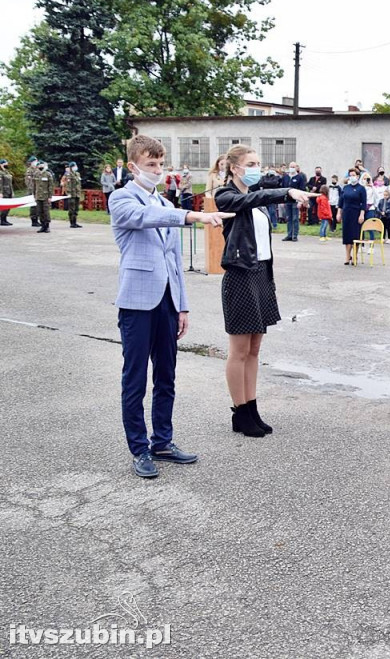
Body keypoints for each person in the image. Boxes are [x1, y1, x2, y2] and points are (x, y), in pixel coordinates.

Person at [108, 134, 234, 478]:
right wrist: (195, 217)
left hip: (166, 301)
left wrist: (182, 306)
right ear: (133, 166)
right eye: (151, 164)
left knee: (166, 376)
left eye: (161, 164)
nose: (158, 170)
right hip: (136, 302)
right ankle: (139, 448)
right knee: (135, 378)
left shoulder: (163, 202)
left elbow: (174, 260)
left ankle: (162, 441)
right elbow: (145, 217)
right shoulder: (121, 199)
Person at [215, 144, 310, 436]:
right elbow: (254, 198)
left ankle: (252, 407)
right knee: (239, 350)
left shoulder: (251, 199)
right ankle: (239, 412)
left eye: (259, 162)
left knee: (254, 349)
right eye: (252, 163)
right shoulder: (226, 196)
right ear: (235, 167)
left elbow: (256, 200)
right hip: (241, 276)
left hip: (261, 276)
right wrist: (286, 192)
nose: (257, 168)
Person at [336, 168, 366, 265]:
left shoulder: (361, 188)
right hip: (346, 213)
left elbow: (363, 203)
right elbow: (341, 202)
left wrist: (362, 214)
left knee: (355, 235)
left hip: (356, 214)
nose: (352, 177)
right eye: (350, 175)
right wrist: (339, 213)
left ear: (357, 176)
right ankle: (347, 255)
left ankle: (355, 255)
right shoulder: (345, 188)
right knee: (347, 235)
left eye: (354, 175)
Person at [280, 162, 305, 241]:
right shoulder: (286, 177)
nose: (292, 168)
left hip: (296, 201)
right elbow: (283, 189)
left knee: (295, 218)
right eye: (291, 166)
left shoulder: (300, 177)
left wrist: (300, 201)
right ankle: (289, 234)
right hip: (288, 201)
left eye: (293, 167)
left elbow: (302, 190)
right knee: (289, 218)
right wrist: (282, 200)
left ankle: (295, 235)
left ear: (296, 167)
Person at [32, 160, 55, 234]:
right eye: (39, 165)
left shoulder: (48, 174)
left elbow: (51, 186)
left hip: (45, 196)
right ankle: (42, 226)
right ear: (38, 166)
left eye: (42, 165)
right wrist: (34, 195)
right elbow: (34, 186)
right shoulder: (36, 174)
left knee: (46, 211)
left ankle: (47, 226)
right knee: (39, 211)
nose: (40, 166)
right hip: (38, 196)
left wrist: (50, 196)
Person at [64, 161, 83, 228]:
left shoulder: (77, 174)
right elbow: (68, 185)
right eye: (74, 166)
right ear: (71, 167)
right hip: (72, 194)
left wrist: (79, 192)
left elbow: (79, 185)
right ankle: (72, 222)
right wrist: (69, 193)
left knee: (76, 208)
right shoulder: (69, 175)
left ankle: (75, 222)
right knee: (71, 208)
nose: (76, 167)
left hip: (77, 193)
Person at [25, 156, 39, 226]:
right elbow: (28, 182)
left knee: (37, 205)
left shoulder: (37, 169)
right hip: (32, 191)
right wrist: (33, 190)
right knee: (33, 206)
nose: (36, 162)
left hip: (38, 191)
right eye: (35, 161)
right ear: (31, 162)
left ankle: (36, 219)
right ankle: (34, 220)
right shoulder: (29, 170)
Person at [0, 159, 12, 226]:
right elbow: (0, 184)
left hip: (9, 191)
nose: (6, 164)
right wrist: (0, 192)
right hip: (4, 192)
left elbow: (10, 183)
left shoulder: (7, 172)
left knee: (8, 206)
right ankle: (2, 220)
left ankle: (5, 219)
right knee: (4, 207)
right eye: (5, 163)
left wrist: (12, 192)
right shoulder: (0, 173)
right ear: (1, 164)